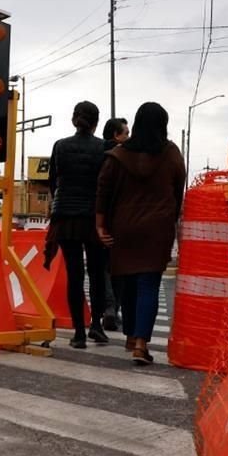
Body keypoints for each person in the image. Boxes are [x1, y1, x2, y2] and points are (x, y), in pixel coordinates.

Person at [96, 102, 185, 365]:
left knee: (128, 282)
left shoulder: (118, 155)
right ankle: (141, 344)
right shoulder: (170, 154)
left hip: (124, 227)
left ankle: (130, 336)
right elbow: (178, 190)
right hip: (156, 229)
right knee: (148, 285)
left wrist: (100, 225)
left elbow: (103, 191)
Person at [45, 101, 108, 348]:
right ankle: (97, 326)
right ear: (96, 123)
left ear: (74, 120)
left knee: (74, 273)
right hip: (93, 217)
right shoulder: (103, 148)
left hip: (66, 216)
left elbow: (53, 182)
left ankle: (79, 332)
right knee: (97, 272)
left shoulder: (60, 146)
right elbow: (105, 184)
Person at [99, 118, 129, 332]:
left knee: (102, 268)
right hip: (120, 219)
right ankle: (113, 308)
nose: (128, 137)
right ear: (116, 135)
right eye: (125, 133)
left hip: (99, 217)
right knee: (118, 267)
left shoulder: (96, 153)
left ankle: (108, 309)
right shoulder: (124, 157)